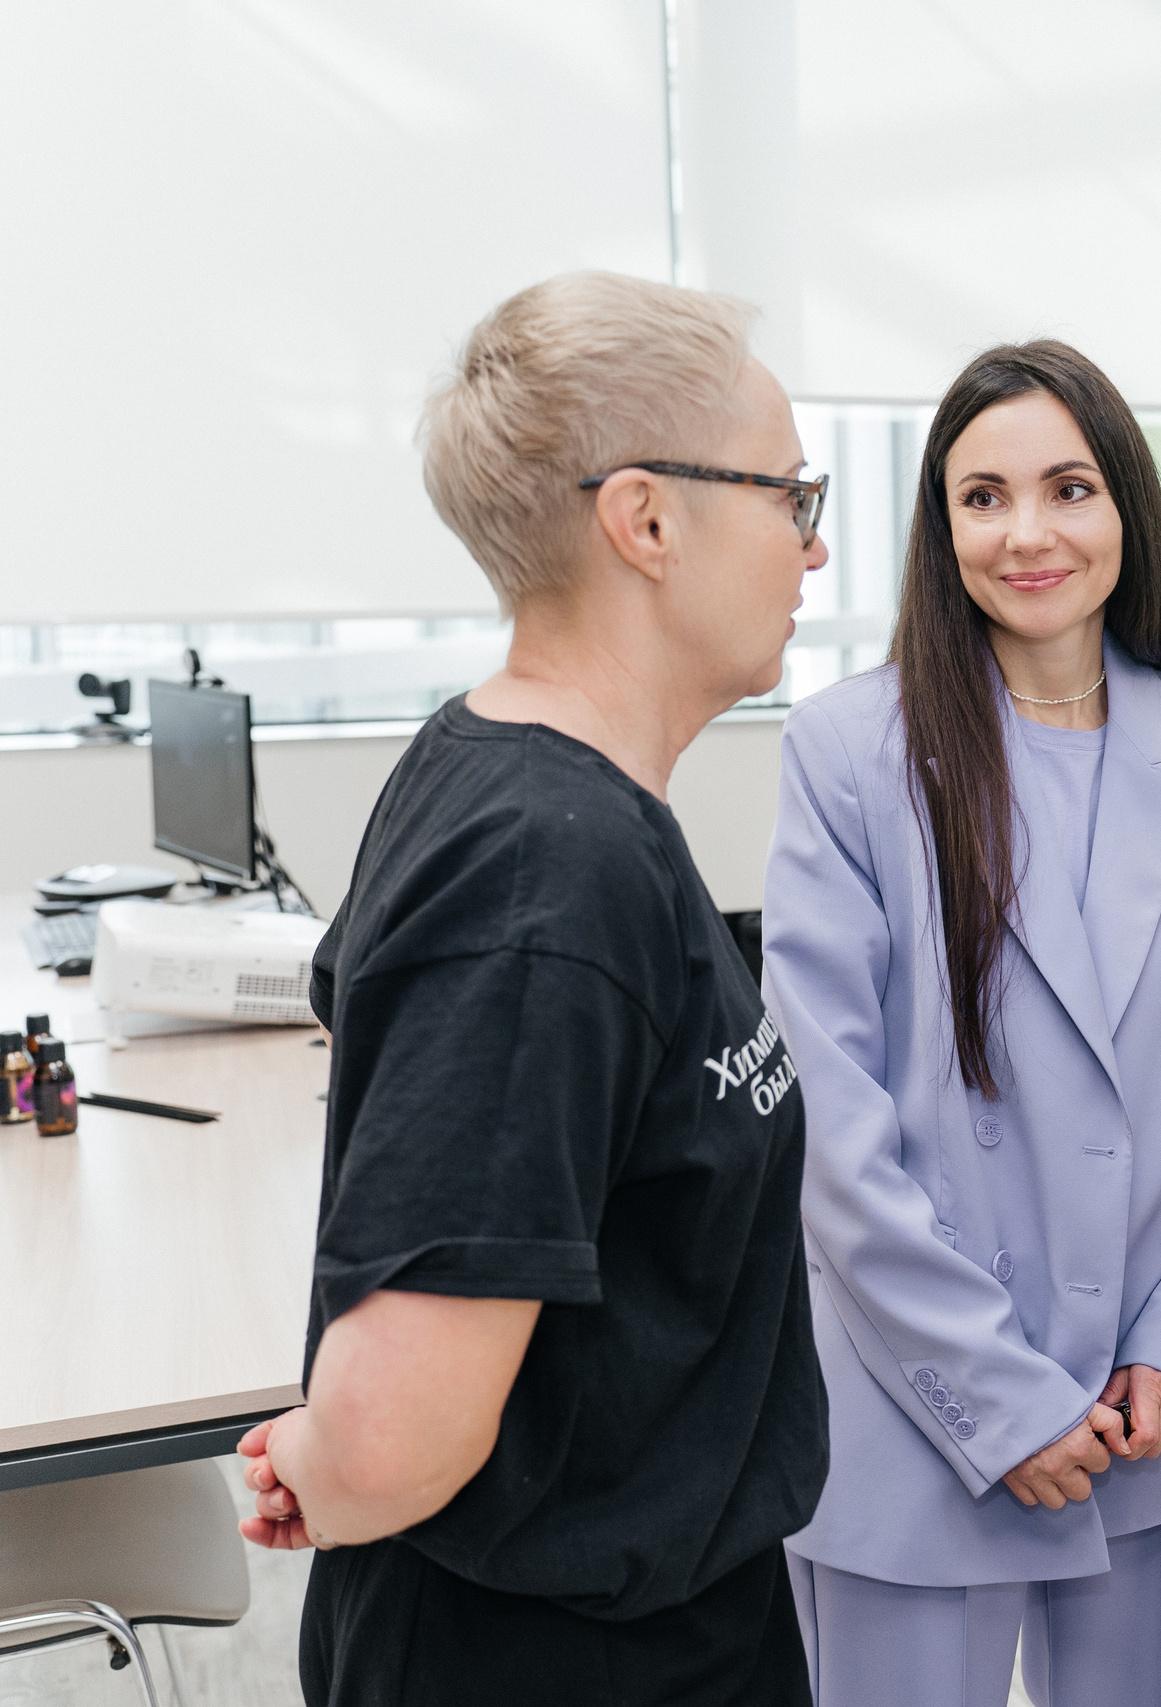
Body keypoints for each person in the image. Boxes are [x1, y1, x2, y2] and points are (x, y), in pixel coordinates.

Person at [238, 273, 832, 1704]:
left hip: (651, 1616)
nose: (815, 552)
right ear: (645, 520)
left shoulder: (533, 790)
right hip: (555, 1658)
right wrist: (321, 1453)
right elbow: (388, 1437)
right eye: (792, 498)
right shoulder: (546, 871)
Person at [760, 339, 1161, 1707]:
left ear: (1126, 504)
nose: (1028, 533)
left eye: (1067, 487)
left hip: (1148, 1410)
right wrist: (998, 1399)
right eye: (982, 496)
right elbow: (835, 1128)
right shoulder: (848, 750)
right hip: (918, 1406)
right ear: (941, 530)